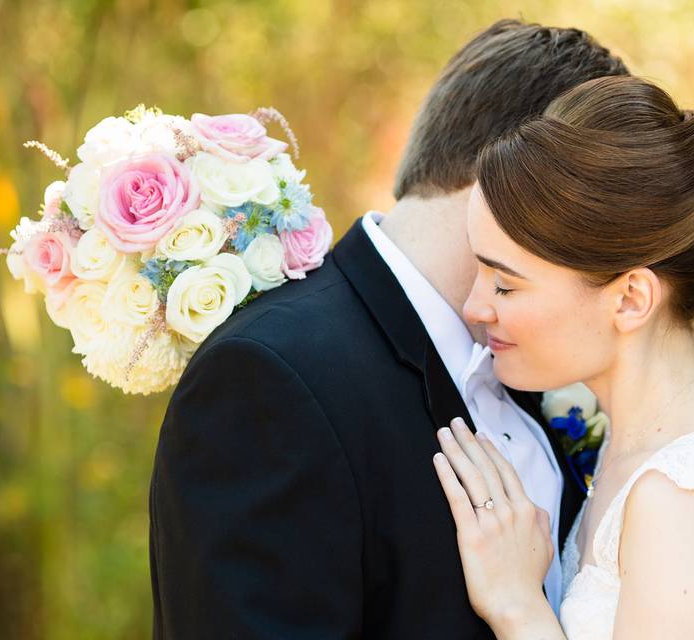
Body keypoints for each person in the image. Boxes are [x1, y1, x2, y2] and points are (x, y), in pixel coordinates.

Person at [148, 19, 628, 639]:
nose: (599, 251)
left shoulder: (531, 362)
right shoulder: (269, 378)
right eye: (592, 216)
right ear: (512, 180)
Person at [431, 75, 694, 639]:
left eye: (505, 285)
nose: (475, 306)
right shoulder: (643, 439)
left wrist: (515, 605)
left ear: (630, 299)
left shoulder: (686, 497)